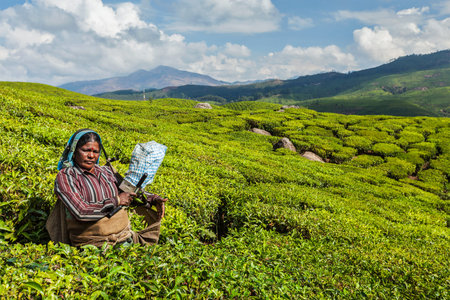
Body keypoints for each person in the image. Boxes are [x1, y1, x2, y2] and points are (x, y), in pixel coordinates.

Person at [46, 129, 167, 247]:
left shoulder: (107, 171)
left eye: (96, 151)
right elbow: (80, 211)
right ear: (74, 151)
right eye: (86, 150)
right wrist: (117, 201)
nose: (91, 156)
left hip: (123, 237)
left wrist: (152, 199)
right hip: (91, 244)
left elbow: (127, 192)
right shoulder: (67, 176)